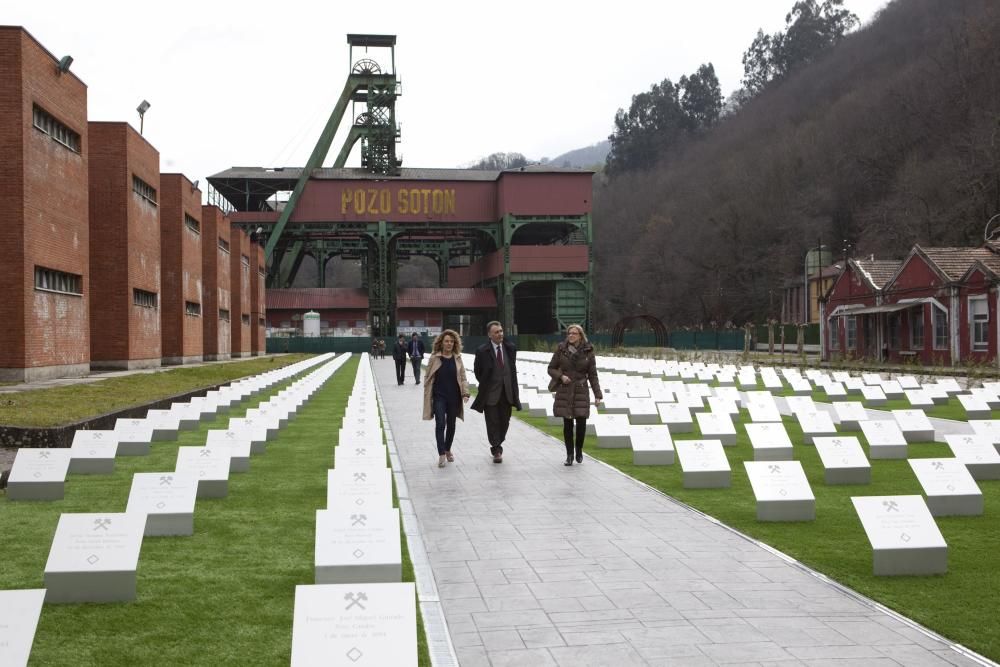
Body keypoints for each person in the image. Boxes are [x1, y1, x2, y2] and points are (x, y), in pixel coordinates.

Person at [547, 324, 602, 466]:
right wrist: (561, 377)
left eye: (574, 333)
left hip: (581, 390)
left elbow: (593, 375)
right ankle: (569, 455)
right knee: (567, 423)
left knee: (582, 423)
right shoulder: (561, 349)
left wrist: (598, 394)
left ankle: (579, 450)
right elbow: (551, 368)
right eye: (569, 333)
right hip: (566, 389)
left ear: (580, 335)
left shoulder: (588, 351)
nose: (571, 335)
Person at [471, 321, 521, 463]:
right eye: (496, 332)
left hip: (507, 392)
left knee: (504, 422)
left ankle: (499, 441)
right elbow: (477, 371)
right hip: (490, 394)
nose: (500, 334)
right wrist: (488, 383)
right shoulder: (482, 350)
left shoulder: (510, 348)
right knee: (492, 422)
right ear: (489, 334)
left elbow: (511, 369)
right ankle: (496, 449)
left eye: (501, 331)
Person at [422, 330, 471, 467]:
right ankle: (442, 454)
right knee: (440, 424)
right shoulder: (435, 358)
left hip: (454, 397)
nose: (449, 343)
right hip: (439, 397)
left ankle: (448, 448)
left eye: (451, 341)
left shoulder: (457, 358)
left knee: (451, 425)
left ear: (454, 343)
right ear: (441, 343)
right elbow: (428, 376)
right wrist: (427, 391)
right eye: (446, 341)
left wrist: (465, 393)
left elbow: (463, 377)